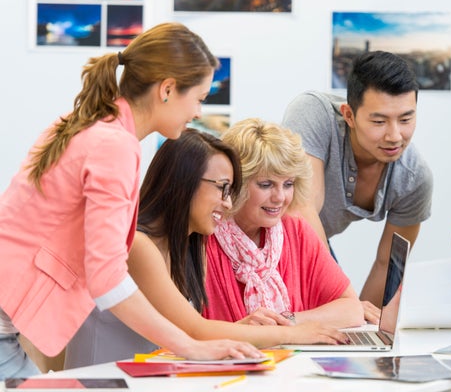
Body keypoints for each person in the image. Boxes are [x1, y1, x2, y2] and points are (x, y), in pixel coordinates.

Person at [0, 22, 262, 380]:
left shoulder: (87, 126)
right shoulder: (114, 145)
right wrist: (190, 345)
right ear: (167, 89)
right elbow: (107, 278)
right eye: (199, 98)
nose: (198, 113)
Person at [64, 129, 349, 369]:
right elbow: (195, 331)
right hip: (105, 381)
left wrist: (247, 328)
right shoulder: (138, 244)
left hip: (148, 376)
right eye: (222, 188)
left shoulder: (189, 244)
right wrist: (296, 333)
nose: (227, 203)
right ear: (184, 183)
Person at [280, 50, 433, 322]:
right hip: (269, 234)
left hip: (313, 244)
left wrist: (362, 324)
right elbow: (302, 209)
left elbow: (389, 263)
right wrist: (349, 304)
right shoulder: (313, 113)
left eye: (406, 119)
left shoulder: (414, 178)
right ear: (348, 115)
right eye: (378, 121)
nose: (394, 136)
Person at [203, 119, 364, 328]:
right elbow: (185, 328)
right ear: (236, 183)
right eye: (266, 184)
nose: (280, 197)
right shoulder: (204, 233)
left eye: (288, 184)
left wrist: (285, 321)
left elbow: (352, 310)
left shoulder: (295, 230)